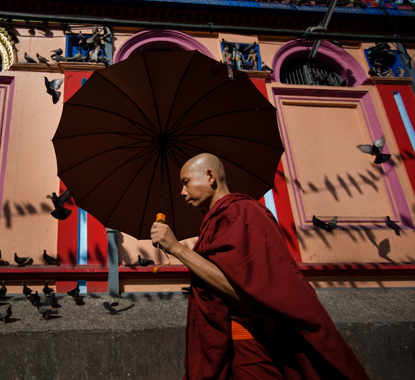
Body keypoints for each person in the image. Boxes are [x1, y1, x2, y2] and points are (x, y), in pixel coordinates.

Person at [150, 153, 369, 380]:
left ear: (210, 176)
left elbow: (248, 295)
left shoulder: (240, 213)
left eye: (186, 182)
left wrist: (177, 249)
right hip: (229, 345)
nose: (182, 192)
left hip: (250, 344)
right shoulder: (217, 220)